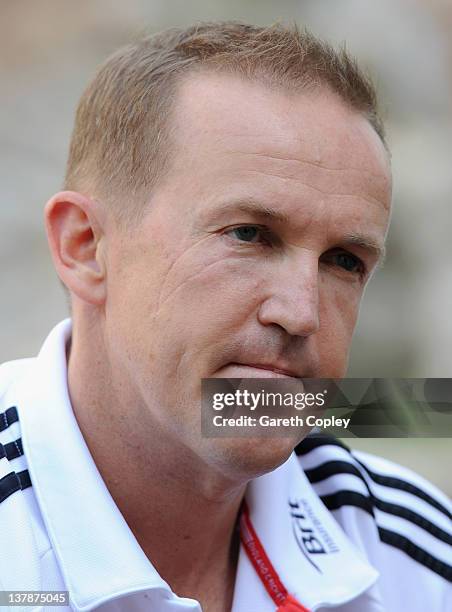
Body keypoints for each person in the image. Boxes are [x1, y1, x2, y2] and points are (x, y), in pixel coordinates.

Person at [0, 21, 450, 612]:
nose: (300, 313)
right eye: (249, 234)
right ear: (86, 247)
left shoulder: (410, 557)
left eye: (344, 260)